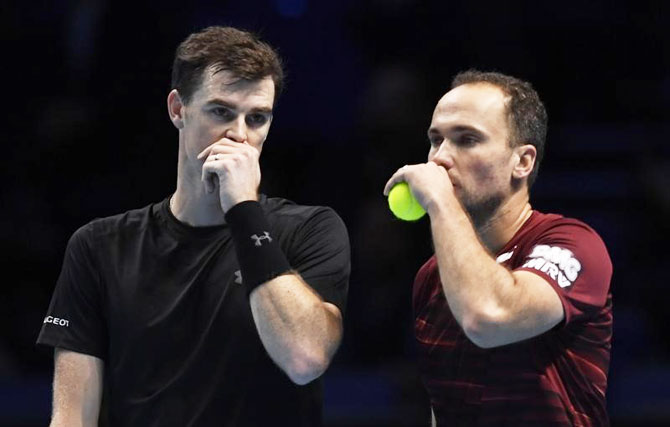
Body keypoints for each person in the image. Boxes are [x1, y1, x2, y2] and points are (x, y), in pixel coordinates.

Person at [37, 26, 350, 426]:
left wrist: (243, 209)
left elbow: (305, 357)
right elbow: (71, 420)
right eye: (221, 111)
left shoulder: (310, 230)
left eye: (257, 118)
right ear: (178, 109)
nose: (239, 135)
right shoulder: (99, 246)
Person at [384, 70, 612, 425]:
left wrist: (440, 201)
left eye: (467, 139)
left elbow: (489, 316)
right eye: (436, 140)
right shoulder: (431, 277)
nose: (440, 158)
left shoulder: (573, 245)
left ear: (522, 161)